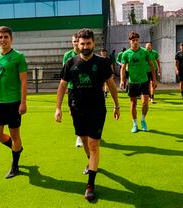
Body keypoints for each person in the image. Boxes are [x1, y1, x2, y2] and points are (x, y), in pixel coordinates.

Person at [55, 28, 120, 201]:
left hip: (97, 109)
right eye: (82, 43)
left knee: (93, 144)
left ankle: (90, 184)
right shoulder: (71, 62)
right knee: (84, 140)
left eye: (88, 43)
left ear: (94, 43)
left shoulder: (102, 63)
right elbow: (62, 86)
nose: (85, 46)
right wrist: (58, 108)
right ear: (78, 44)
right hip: (77, 109)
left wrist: (117, 105)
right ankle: (90, 161)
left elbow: (111, 85)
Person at [0, 26, 27, 179]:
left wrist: (23, 102)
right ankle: (17, 149)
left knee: (15, 135)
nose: (2, 40)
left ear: (11, 39)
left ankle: (15, 166)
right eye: (0, 37)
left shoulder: (18, 57)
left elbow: (23, 81)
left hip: (14, 103)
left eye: (5, 37)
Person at [120, 31, 157, 133]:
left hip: (144, 81)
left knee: (145, 102)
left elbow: (152, 66)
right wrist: (122, 80)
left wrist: (154, 79)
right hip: (132, 82)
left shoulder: (144, 52)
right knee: (133, 104)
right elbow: (122, 68)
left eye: (137, 40)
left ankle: (143, 119)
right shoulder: (126, 54)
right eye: (133, 40)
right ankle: (135, 124)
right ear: (130, 41)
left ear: (139, 40)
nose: (135, 42)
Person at [63, 33, 83, 148]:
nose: (76, 43)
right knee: (73, 112)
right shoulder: (67, 55)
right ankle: (80, 132)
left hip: (84, 88)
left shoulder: (86, 54)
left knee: (85, 111)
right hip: (72, 88)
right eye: (74, 41)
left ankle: (80, 135)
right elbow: (65, 72)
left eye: (77, 41)